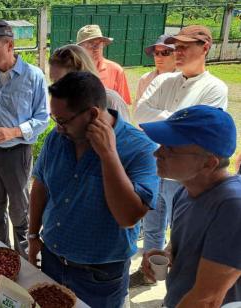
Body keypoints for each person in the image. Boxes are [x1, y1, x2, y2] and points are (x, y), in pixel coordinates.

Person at [27, 72, 159, 307]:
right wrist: (33, 234)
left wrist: (108, 155)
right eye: (54, 119)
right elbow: (40, 186)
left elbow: (129, 217)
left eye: (63, 121)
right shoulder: (56, 141)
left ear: (93, 114)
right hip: (52, 261)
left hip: (100, 277)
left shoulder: (139, 149)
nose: (58, 128)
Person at [131, 25, 229, 287]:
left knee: (182, 230)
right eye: (177, 46)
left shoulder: (214, 88)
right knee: (152, 221)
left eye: (185, 46)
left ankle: (178, 283)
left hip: (186, 174)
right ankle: (150, 270)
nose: (178, 52)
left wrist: (163, 116)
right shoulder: (164, 80)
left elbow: (193, 133)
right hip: (160, 165)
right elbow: (140, 113)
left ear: (205, 48)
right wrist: (178, 120)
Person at [140, 105, 241, 307]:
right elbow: (187, 245)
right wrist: (167, 255)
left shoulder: (233, 207)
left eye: (170, 148)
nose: (157, 154)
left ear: (208, 163)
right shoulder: (186, 189)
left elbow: (207, 299)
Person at [0, 20, 48, 256]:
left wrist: (13, 132)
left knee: (20, 214)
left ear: (10, 45)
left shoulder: (33, 76)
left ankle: (25, 263)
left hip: (17, 154)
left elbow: (43, 118)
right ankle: (0, 258)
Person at [49, 44, 131, 121]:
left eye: (61, 82)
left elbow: (124, 133)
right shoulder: (64, 104)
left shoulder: (110, 100)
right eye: (53, 81)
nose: (56, 88)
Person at [77, 24, 131, 105]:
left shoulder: (116, 70)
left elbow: (122, 106)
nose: (96, 47)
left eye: (99, 43)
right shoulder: (71, 71)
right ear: (80, 49)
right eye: (90, 43)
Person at [135, 34, 176, 102]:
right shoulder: (145, 79)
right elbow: (137, 108)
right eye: (156, 53)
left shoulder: (184, 80)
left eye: (165, 52)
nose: (159, 57)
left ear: (176, 54)